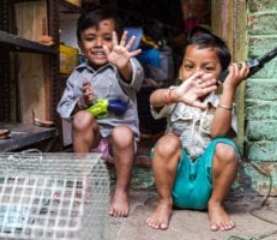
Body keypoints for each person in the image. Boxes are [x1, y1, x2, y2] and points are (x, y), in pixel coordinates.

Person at [145, 33, 250, 231]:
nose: (197, 74)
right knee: (167, 141)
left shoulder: (223, 104)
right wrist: (173, 94)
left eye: (208, 68)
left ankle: (216, 204)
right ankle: (164, 202)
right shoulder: (175, 97)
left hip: (207, 187)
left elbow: (218, 132)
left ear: (222, 74)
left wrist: (229, 89)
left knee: (226, 148)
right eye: (189, 66)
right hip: (176, 182)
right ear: (180, 70)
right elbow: (153, 99)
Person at [56, 7, 144, 218]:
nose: (98, 44)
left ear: (118, 42)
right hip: (93, 142)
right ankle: (84, 183)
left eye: (107, 38)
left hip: (120, 144)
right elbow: (63, 108)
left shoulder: (123, 65)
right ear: (80, 44)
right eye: (90, 38)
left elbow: (136, 78)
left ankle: (122, 190)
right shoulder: (78, 75)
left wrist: (124, 66)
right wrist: (81, 102)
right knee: (82, 118)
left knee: (122, 133)